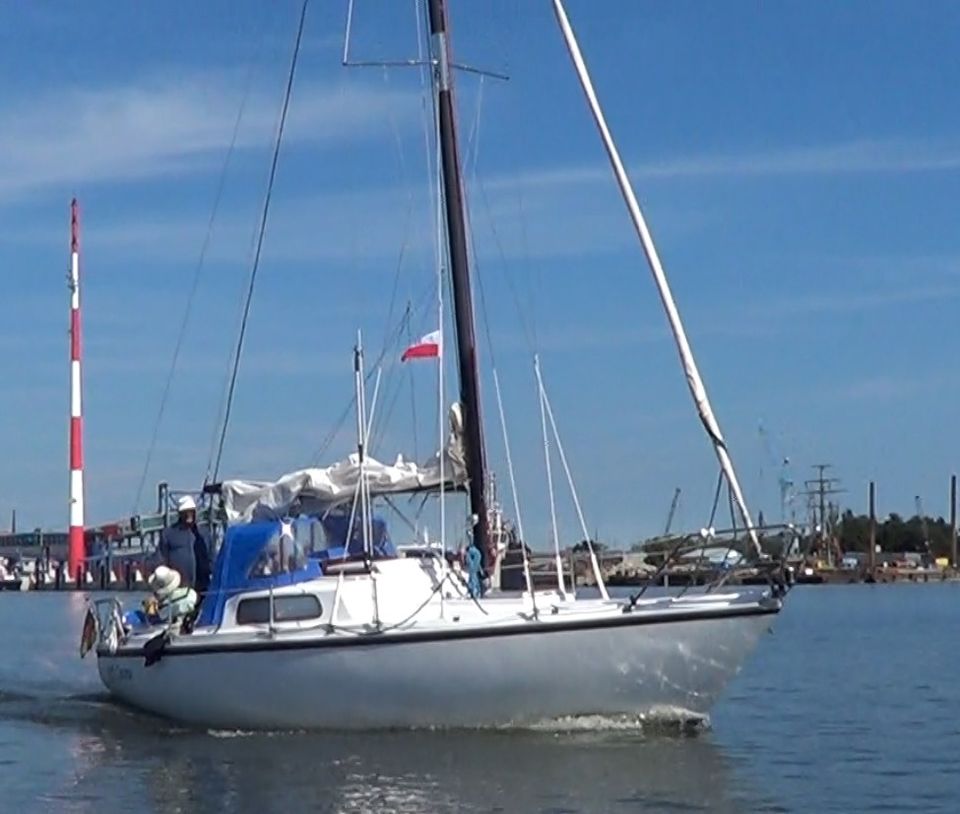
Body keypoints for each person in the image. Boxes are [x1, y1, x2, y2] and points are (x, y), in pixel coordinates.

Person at [157, 496, 211, 594]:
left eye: (191, 511)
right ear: (180, 514)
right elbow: (161, 559)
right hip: (178, 589)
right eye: (185, 512)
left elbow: (211, 558)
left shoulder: (204, 533)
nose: (188, 515)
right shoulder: (169, 534)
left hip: (203, 588)